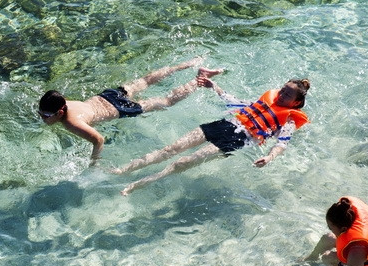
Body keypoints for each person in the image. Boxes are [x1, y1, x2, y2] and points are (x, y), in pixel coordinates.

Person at [112, 77, 310, 195]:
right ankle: (124, 170)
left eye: (287, 95)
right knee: (171, 149)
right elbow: (235, 103)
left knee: (182, 163)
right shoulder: (267, 101)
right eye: (282, 90)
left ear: (295, 103)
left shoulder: (288, 121)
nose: (281, 94)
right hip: (224, 125)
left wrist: (270, 156)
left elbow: (282, 143)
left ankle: (138, 184)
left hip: (236, 140)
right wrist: (214, 87)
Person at [38, 58, 224, 164]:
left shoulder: (71, 123)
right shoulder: (63, 102)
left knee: (167, 101)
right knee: (145, 80)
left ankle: (200, 79)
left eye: (46, 116)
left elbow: (99, 139)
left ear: (60, 113)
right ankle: (188, 64)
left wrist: (94, 162)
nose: (43, 118)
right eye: (41, 114)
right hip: (107, 96)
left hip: (120, 108)